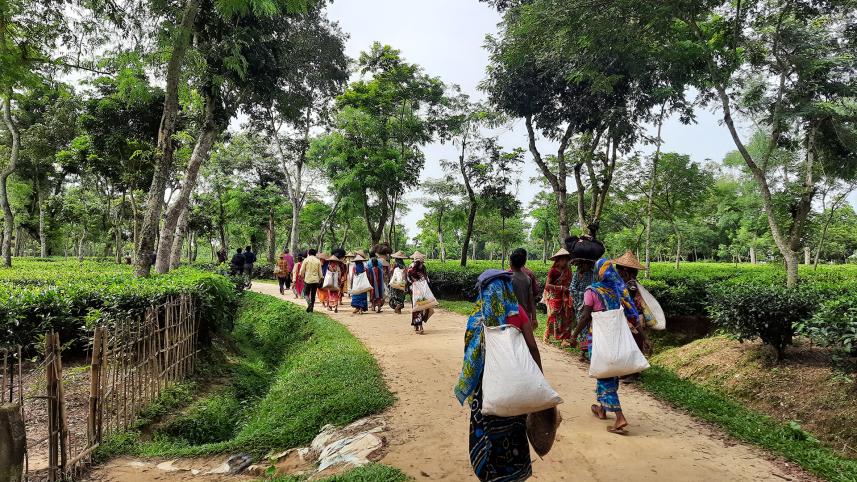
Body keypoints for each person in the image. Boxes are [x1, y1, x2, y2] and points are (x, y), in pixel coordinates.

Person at [454, 270, 541, 482]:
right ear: (506, 288)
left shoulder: (477, 317)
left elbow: (470, 357)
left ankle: (490, 474)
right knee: (515, 431)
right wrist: (540, 378)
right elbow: (532, 348)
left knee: (487, 432)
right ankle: (515, 474)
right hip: (515, 385)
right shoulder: (517, 312)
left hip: (487, 390)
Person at [570, 259, 641, 434]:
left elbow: (586, 315)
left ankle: (619, 418)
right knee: (611, 370)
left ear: (598, 272)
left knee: (604, 374)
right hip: (615, 335)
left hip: (599, 336)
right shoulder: (617, 290)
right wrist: (644, 337)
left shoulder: (592, 290)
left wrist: (574, 334)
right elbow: (631, 312)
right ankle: (602, 409)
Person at [612, 250, 652, 382]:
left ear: (625, 271)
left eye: (619, 271)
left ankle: (635, 373)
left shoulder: (631, 285)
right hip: (630, 316)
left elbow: (629, 303)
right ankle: (628, 371)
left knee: (635, 343)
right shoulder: (628, 282)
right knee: (628, 344)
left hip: (635, 317)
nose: (618, 273)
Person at [542, 248, 574, 347]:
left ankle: (564, 339)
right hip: (554, 296)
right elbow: (547, 285)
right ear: (558, 260)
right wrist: (560, 287)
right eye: (563, 260)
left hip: (565, 297)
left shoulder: (568, 271)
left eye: (566, 260)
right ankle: (546, 335)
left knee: (566, 317)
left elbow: (570, 283)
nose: (565, 262)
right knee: (553, 315)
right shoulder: (553, 271)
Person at [509, 248, 537, 324]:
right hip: (524, 314)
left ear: (511, 263)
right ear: (524, 263)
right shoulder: (528, 278)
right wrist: (534, 318)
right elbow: (532, 299)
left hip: (510, 314)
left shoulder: (507, 277)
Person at [407, 252, 432, 334]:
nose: (421, 264)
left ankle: (416, 324)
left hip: (418, 290)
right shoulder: (417, 268)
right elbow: (426, 279)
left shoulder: (415, 267)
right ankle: (420, 326)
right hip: (418, 290)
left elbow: (409, 278)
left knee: (418, 307)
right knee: (420, 307)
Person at [300, 248, 323, 313]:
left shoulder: (306, 260)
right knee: (313, 294)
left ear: (308, 253)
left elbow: (302, 270)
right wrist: (321, 278)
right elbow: (320, 272)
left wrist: (301, 276)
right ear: (315, 254)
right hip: (316, 280)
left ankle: (309, 303)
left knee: (306, 293)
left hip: (308, 279)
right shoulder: (318, 261)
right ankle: (312, 308)